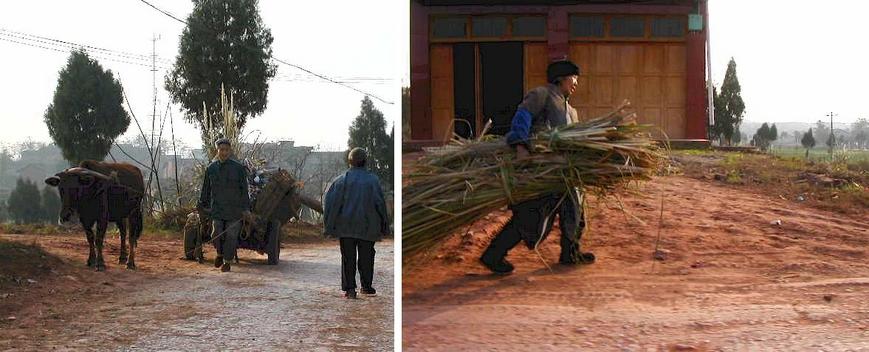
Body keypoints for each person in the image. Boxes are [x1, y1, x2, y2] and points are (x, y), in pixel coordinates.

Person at [479, 59, 596, 274]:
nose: (576, 83)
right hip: (542, 168)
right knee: (530, 216)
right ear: (561, 78)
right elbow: (522, 118)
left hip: (564, 171)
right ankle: (493, 255)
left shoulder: (571, 110)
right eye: (574, 78)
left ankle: (570, 253)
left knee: (574, 211)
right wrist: (521, 146)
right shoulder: (541, 94)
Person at [323, 147, 390, 299]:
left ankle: (350, 289)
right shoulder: (373, 181)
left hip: (346, 227)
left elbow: (331, 205)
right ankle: (366, 287)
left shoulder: (340, 181)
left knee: (348, 257)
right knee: (367, 257)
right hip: (368, 227)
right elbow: (380, 204)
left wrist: (329, 226)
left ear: (350, 161)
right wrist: (385, 225)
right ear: (365, 161)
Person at [197, 138, 252, 273]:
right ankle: (220, 254)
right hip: (217, 209)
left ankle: (227, 261)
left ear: (230, 151)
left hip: (235, 211)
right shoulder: (211, 168)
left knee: (232, 235)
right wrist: (202, 204)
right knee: (216, 233)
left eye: (226, 150)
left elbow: (244, 190)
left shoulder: (238, 168)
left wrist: (246, 209)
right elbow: (206, 189)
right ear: (218, 151)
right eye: (221, 150)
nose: (224, 152)